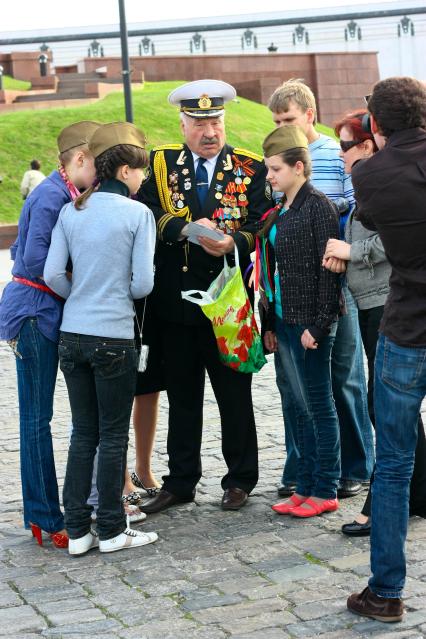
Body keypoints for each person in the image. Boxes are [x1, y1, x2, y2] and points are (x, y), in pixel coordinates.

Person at [138, 79, 271, 514]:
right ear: (183, 123)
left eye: (216, 121)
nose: (209, 131)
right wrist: (181, 230)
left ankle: (240, 479)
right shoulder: (161, 163)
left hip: (227, 306)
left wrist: (235, 243)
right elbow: (147, 211)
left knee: (235, 396)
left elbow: (262, 222)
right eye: (199, 123)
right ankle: (180, 481)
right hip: (174, 305)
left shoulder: (249, 168)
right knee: (182, 396)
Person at [44, 122, 158, 555]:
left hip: (73, 333)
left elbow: (54, 274)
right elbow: (143, 283)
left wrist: (84, 295)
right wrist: (109, 293)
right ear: (126, 170)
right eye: (140, 172)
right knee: (112, 435)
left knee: (82, 434)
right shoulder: (137, 214)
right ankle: (110, 528)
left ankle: (77, 531)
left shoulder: (72, 211)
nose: (142, 179)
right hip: (113, 335)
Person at [267, 78, 374, 499]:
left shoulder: (334, 153)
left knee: (343, 376)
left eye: (288, 118)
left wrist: (336, 245)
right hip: (293, 287)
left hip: (335, 278)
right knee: (295, 385)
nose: (282, 124)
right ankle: (305, 465)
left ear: (309, 115)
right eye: (276, 120)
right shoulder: (279, 157)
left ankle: (355, 465)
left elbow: (356, 204)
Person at [323, 109, 426, 537]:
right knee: (390, 406)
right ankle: (414, 494)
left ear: (368, 144)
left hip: (390, 299)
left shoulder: (382, 178)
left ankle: (383, 501)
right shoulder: (363, 178)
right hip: (368, 299)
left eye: (345, 146)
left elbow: (398, 236)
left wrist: (351, 254)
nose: (340, 155)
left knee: (385, 405)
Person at [346, 77, 426, 622]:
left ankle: (386, 592)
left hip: (407, 328)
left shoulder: (369, 174)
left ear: (375, 125)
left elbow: (371, 221)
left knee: (394, 465)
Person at [0, 120, 101, 548]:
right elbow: (40, 264)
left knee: (42, 418)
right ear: (79, 160)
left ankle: (54, 509)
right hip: (33, 314)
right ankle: (43, 513)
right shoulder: (49, 196)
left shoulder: (66, 192)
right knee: (36, 419)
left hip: (45, 313)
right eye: (97, 165)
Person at [256, 125, 341, 517]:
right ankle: (304, 484)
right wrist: (270, 324)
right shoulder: (281, 210)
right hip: (287, 321)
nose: (269, 176)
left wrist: (319, 325)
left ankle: (326, 487)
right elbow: (273, 274)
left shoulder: (318, 206)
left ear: (298, 167)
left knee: (319, 406)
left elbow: (331, 272)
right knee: (296, 405)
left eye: (275, 169)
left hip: (312, 323)